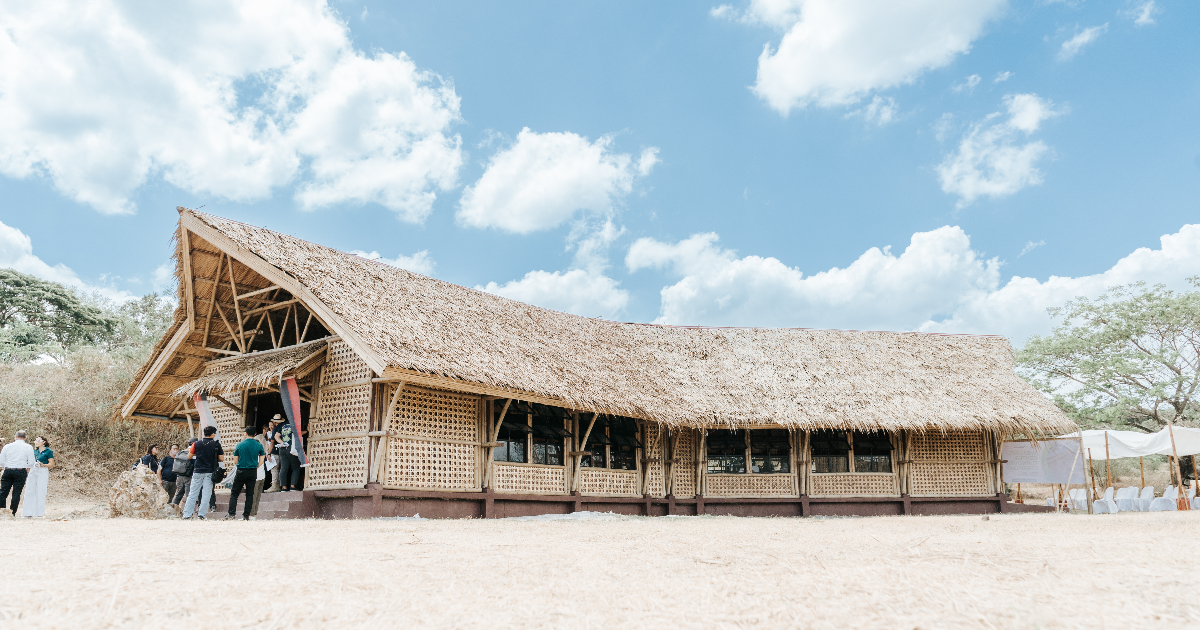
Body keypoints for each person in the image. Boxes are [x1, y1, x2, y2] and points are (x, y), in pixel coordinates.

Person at [181, 426, 224, 520]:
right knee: (206, 494)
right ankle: (201, 515)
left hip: (198, 471)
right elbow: (221, 458)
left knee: (193, 493)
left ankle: (187, 515)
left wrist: (199, 454)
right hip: (210, 472)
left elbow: (189, 456)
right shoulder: (216, 445)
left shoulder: (196, 444)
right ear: (212, 434)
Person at [226, 427, 265, 520]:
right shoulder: (259, 445)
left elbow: (235, 461)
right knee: (250, 494)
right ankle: (246, 515)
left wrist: (241, 464)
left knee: (234, 493)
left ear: (245, 433)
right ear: (255, 434)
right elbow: (262, 459)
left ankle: (231, 514)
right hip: (252, 471)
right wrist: (256, 466)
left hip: (241, 470)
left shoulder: (239, 444)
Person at [0, 431, 36, 517]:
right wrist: (27, 468)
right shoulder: (28, 447)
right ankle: (12, 512)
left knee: (3, 491)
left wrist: (5, 466)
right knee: (16, 493)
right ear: (25, 438)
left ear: (15, 437)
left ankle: (1, 510)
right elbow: (32, 462)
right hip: (21, 471)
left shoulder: (7, 446)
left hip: (8, 470)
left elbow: (1, 461)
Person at [21, 436, 54, 518]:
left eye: (39, 440)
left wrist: (43, 465)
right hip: (33, 470)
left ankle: (39, 513)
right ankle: (27, 513)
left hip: (42, 471)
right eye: (35, 441)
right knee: (29, 491)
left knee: (41, 491)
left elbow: (51, 464)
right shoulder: (34, 451)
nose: (36, 442)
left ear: (44, 442)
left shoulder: (48, 451)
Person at [274, 417, 301, 492]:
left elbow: (276, 436)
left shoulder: (283, 425)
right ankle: (292, 486)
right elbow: (299, 433)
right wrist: (307, 431)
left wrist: (282, 443)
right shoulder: (296, 424)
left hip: (282, 448)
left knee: (284, 468)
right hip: (292, 448)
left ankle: (284, 487)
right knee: (296, 467)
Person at [249, 426, 271, 518]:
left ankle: (252, 513)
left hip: (256, 477)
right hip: (260, 476)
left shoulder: (255, 454)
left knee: (254, 495)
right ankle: (253, 513)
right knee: (256, 496)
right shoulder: (260, 452)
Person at [172, 438, 197, 506]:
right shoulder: (193, 454)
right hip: (188, 477)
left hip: (179, 476)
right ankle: (188, 511)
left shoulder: (182, 452)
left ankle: (172, 509)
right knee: (189, 496)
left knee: (178, 495)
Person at [265, 416, 283, 492]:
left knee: (274, 469)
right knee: (282, 469)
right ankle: (282, 485)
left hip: (275, 452)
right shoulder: (283, 427)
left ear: (275, 422)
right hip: (283, 451)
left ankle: (275, 486)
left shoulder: (275, 429)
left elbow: (272, 443)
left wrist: (269, 453)